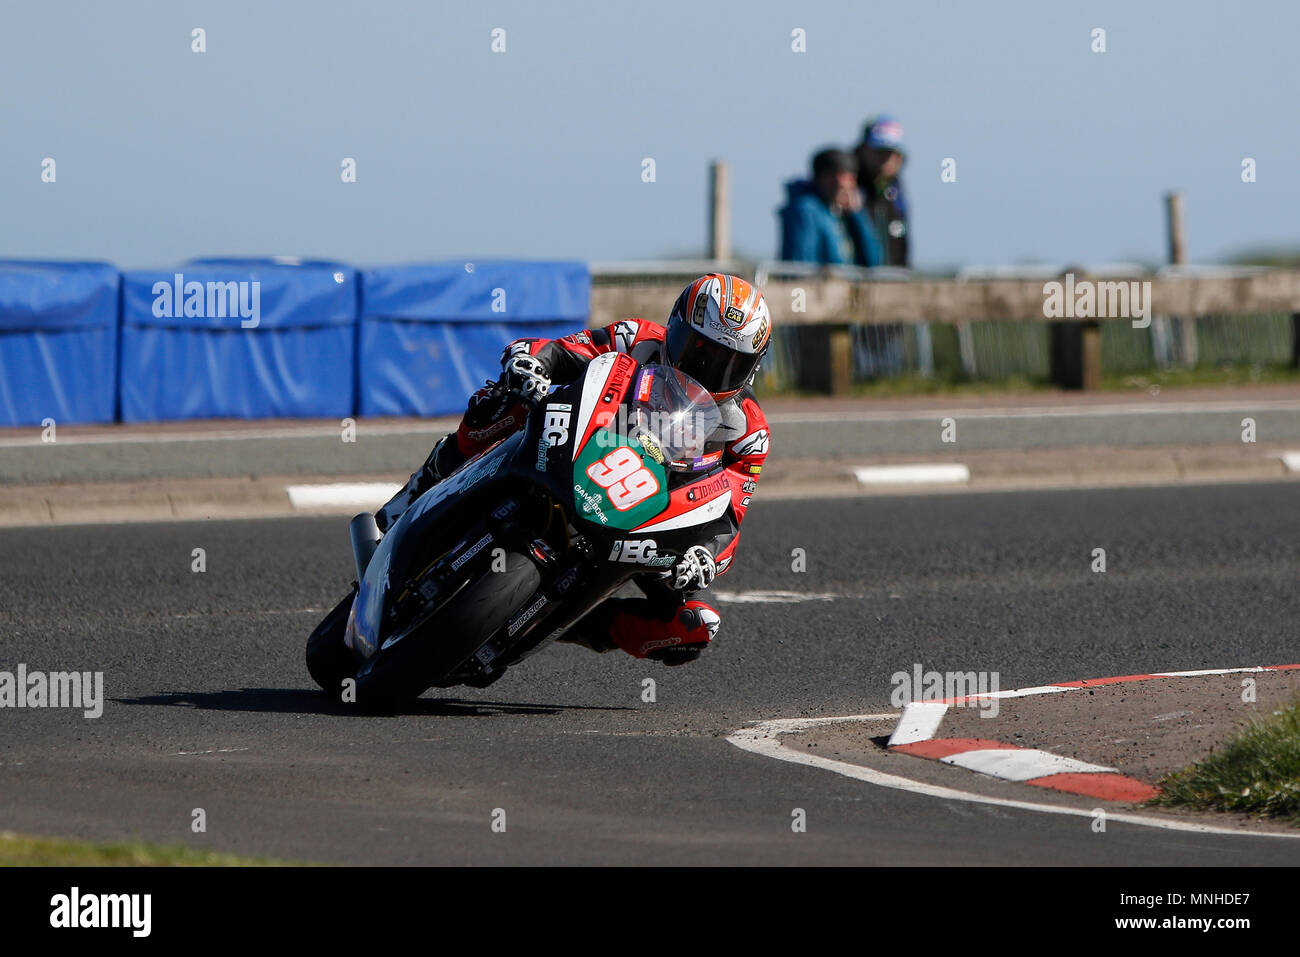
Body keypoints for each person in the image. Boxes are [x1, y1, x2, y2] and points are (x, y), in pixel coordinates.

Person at [375, 274, 773, 667]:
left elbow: (729, 516)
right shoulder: (637, 337)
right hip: (583, 447)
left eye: (728, 363)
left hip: (651, 515)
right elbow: (562, 351)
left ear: (751, 368)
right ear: (674, 328)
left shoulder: (749, 432)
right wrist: (530, 364)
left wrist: (705, 555)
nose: (706, 367)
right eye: (698, 349)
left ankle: (571, 622)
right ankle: (417, 491)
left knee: (694, 626)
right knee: (499, 402)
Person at [779, 148, 883, 267]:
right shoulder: (806, 210)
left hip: (843, 284)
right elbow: (801, 264)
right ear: (819, 178)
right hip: (818, 285)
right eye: (835, 178)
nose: (843, 185)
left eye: (849, 179)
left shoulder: (845, 214)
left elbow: (873, 262)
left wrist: (857, 215)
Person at [855, 115, 909, 268]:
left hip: (894, 281)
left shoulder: (896, 191)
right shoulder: (849, 188)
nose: (886, 159)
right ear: (864, 150)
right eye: (880, 151)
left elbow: (902, 243)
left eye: (892, 152)